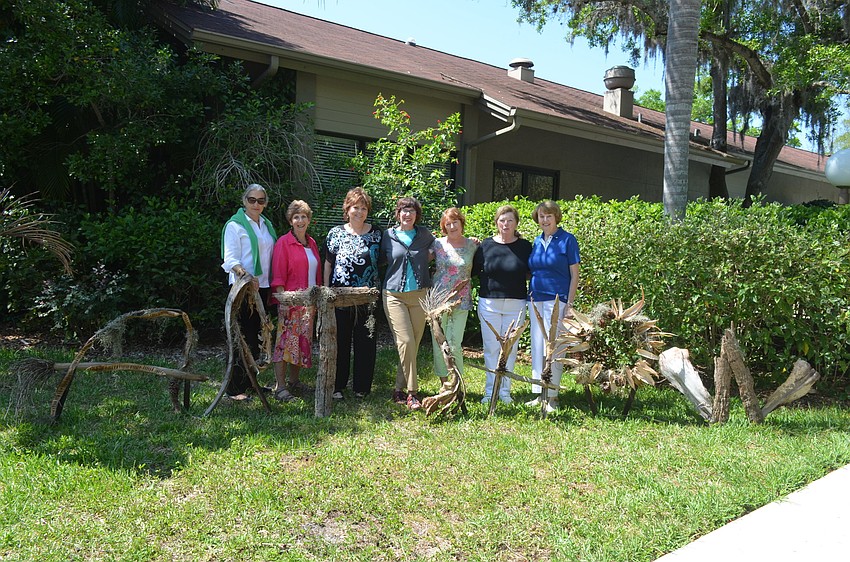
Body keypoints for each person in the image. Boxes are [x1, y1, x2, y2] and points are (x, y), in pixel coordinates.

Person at [324, 187, 383, 400]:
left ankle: (362, 386)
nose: (359, 212)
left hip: (368, 299)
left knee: (366, 341)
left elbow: (385, 261)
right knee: (340, 342)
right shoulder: (335, 233)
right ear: (347, 209)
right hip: (340, 299)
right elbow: (328, 264)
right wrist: (326, 292)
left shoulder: (377, 234)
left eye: (364, 208)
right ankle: (338, 385)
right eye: (355, 207)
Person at [220, 184, 277, 401]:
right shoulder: (235, 226)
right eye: (252, 200)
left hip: (262, 288)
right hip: (242, 290)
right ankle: (234, 389)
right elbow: (230, 259)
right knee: (240, 337)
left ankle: (251, 382)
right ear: (244, 201)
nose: (256, 204)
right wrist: (246, 275)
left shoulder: (266, 225)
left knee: (255, 337)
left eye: (261, 200)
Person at [472, 204, 532, 404]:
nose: (506, 224)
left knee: (510, 349)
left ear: (516, 223)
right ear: (497, 222)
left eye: (510, 220)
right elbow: (472, 270)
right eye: (502, 220)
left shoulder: (525, 247)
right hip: (489, 304)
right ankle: (490, 392)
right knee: (491, 348)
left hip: (516, 304)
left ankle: (505, 392)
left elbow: (532, 272)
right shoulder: (485, 245)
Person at [380, 196, 435, 410]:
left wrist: (471, 243)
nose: (407, 214)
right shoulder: (388, 236)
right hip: (394, 295)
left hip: (420, 295)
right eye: (403, 210)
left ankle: (398, 389)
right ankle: (413, 392)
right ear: (398, 213)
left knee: (413, 344)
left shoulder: (425, 235)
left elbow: (441, 249)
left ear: (416, 215)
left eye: (411, 211)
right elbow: (378, 258)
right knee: (406, 341)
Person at [526, 200, 581, 413]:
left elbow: (574, 274)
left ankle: (553, 395)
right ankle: (540, 393)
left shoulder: (567, 240)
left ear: (556, 217)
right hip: (536, 299)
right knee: (538, 346)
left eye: (549, 216)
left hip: (557, 300)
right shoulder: (537, 241)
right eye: (541, 216)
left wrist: (570, 303)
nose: (545, 220)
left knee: (555, 347)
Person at [269, 200, 322, 402]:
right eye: (296, 217)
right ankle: (280, 387)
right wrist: (284, 301)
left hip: (308, 304)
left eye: (304, 216)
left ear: (309, 219)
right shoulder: (284, 242)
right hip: (290, 302)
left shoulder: (312, 242)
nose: (300, 220)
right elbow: (279, 275)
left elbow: (315, 274)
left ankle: (294, 382)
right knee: (284, 345)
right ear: (291, 221)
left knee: (301, 342)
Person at [430, 207, 479, 385]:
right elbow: (419, 260)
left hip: (462, 299)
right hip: (439, 300)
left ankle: (457, 381)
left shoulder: (473, 245)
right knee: (439, 342)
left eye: (455, 222)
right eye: (447, 224)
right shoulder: (437, 244)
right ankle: (444, 382)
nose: (452, 226)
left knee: (455, 343)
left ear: (461, 223)